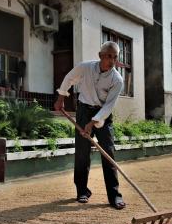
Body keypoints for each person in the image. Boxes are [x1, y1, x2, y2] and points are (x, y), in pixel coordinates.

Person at [54, 41, 126, 210]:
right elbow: (69, 79)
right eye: (109, 56)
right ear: (100, 55)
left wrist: (93, 122)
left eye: (115, 57)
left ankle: (114, 195)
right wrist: (61, 98)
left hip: (103, 115)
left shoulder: (117, 80)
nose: (112, 60)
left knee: (108, 152)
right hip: (83, 111)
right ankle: (82, 191)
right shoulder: (85, 68)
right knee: (81, 153)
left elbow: (109, 106)